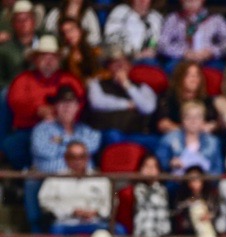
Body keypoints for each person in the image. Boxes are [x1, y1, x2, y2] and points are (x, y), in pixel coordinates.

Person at [3, 34, 84, 170]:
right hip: (29, 128)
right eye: (44, 57)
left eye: (53, 57)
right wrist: (37, 110)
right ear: (35, 60)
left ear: (59, 60)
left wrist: (59, 114)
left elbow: (81, 102)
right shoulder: (23, 79)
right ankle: (26, 172)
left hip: (64, 128)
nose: (49, 61)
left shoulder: (70, 80)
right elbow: (15, 101)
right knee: (11, 145)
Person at [86, 45, 159, 149]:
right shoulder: (97, 84)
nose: (120, 65)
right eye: (115, 62)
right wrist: (127, 104)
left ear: (130, 65)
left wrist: (126, 85)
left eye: (123, 62)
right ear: (108, 66)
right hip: (109, 133)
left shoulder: (142, 87)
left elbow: (148, 108)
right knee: (113, 135)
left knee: (156, 142)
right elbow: (96, 102)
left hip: (135, 134)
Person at [38, 140, 112, 234]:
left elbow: (109, 204)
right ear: (66, 158)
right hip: (66, 223)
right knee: (56, 230)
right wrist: (71, 211)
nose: (77, 161)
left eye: (81, 157)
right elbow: (45, 202)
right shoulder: (55, 178)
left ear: (87, 158)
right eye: (73, 157)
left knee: (117, 230)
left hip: (95, 223)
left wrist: (96, 212)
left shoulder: (101, 179)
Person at [158, 0, 226, 69]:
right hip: (182, 59)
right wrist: (183, 52)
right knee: (170, 68)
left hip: (209, 60)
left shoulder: (215, 19)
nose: (191, 2)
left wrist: (212, 51)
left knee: (221, 69)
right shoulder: (174, 19)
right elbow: (162, 44)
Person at [155, 100, 223, 175]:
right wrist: (170, 163)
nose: (193, 121)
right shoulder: (169, 139)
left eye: (197, 117)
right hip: (176, 181)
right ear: (182, 119)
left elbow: (217, 170)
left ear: (203, 120)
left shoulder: (213, 142)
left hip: (205, 181)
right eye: (188, 117)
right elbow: (159, 164)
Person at [155, 59, 216, 133]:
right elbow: (163, 124)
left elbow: (213, 122)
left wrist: (208, 126)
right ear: (180, 78)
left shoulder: (205, 99)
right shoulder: (167, 98)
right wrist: (188, 131)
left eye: (197, 75)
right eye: (189, 75)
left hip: (200, 135)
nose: (194, 78)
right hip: (175, 134)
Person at [129, 152, 171, 237]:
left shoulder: (165, 190)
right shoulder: (133, 190)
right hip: (141, 236)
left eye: (153, 166)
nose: (150, 170)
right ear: (140, 169)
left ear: (159, 170)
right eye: (146, 166)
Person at [171, 164, 220, 234]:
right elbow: (177, 211)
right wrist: (191, 202)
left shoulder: (210, 194)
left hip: (210, 229)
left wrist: (210, 216)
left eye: (196, 179)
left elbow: (217, 211)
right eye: (191, 180)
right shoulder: (184, 196)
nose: (194, 183)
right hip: (189, 231)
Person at [0, 0, 38, 90]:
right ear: (13, 24)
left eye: (27, 19)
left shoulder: (44, 42)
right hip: (14, 91)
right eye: (19, 20)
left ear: (34, 21)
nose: (23, 23)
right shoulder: (5, 50)